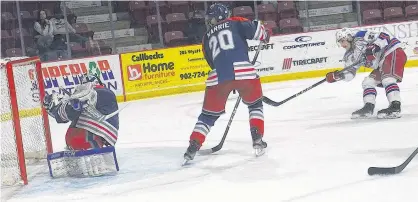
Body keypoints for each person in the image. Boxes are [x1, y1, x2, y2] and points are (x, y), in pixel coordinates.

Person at [183, 3, 271, 162]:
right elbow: (259, 30)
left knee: (208, 117)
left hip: (218, 76)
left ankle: (192, 147)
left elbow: (212, 63)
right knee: (255, 105)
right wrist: (266, 34)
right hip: (244, 72)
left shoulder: (206, 37)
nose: (209, 22)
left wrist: (230, 79)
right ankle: (257, 138)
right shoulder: (236, 21)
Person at [326, 28, 407, 119]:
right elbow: (350, 74)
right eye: (340, 42)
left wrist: (374, 47)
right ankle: (368, 107)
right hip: (381, 63)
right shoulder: (349, 56)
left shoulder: (360, 36)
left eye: (342, 41)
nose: (342, 44)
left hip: (392, 51)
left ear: (348, 37)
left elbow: (384, 36)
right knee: (368, 82)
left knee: (387, 79)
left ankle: (395, 107)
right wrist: (339, 76)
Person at [43, 74, 119, 151]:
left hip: (83, 138)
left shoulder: (96, 93)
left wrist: (58, 109)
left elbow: (69, 113)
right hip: (100, 138)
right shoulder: (107, 94)